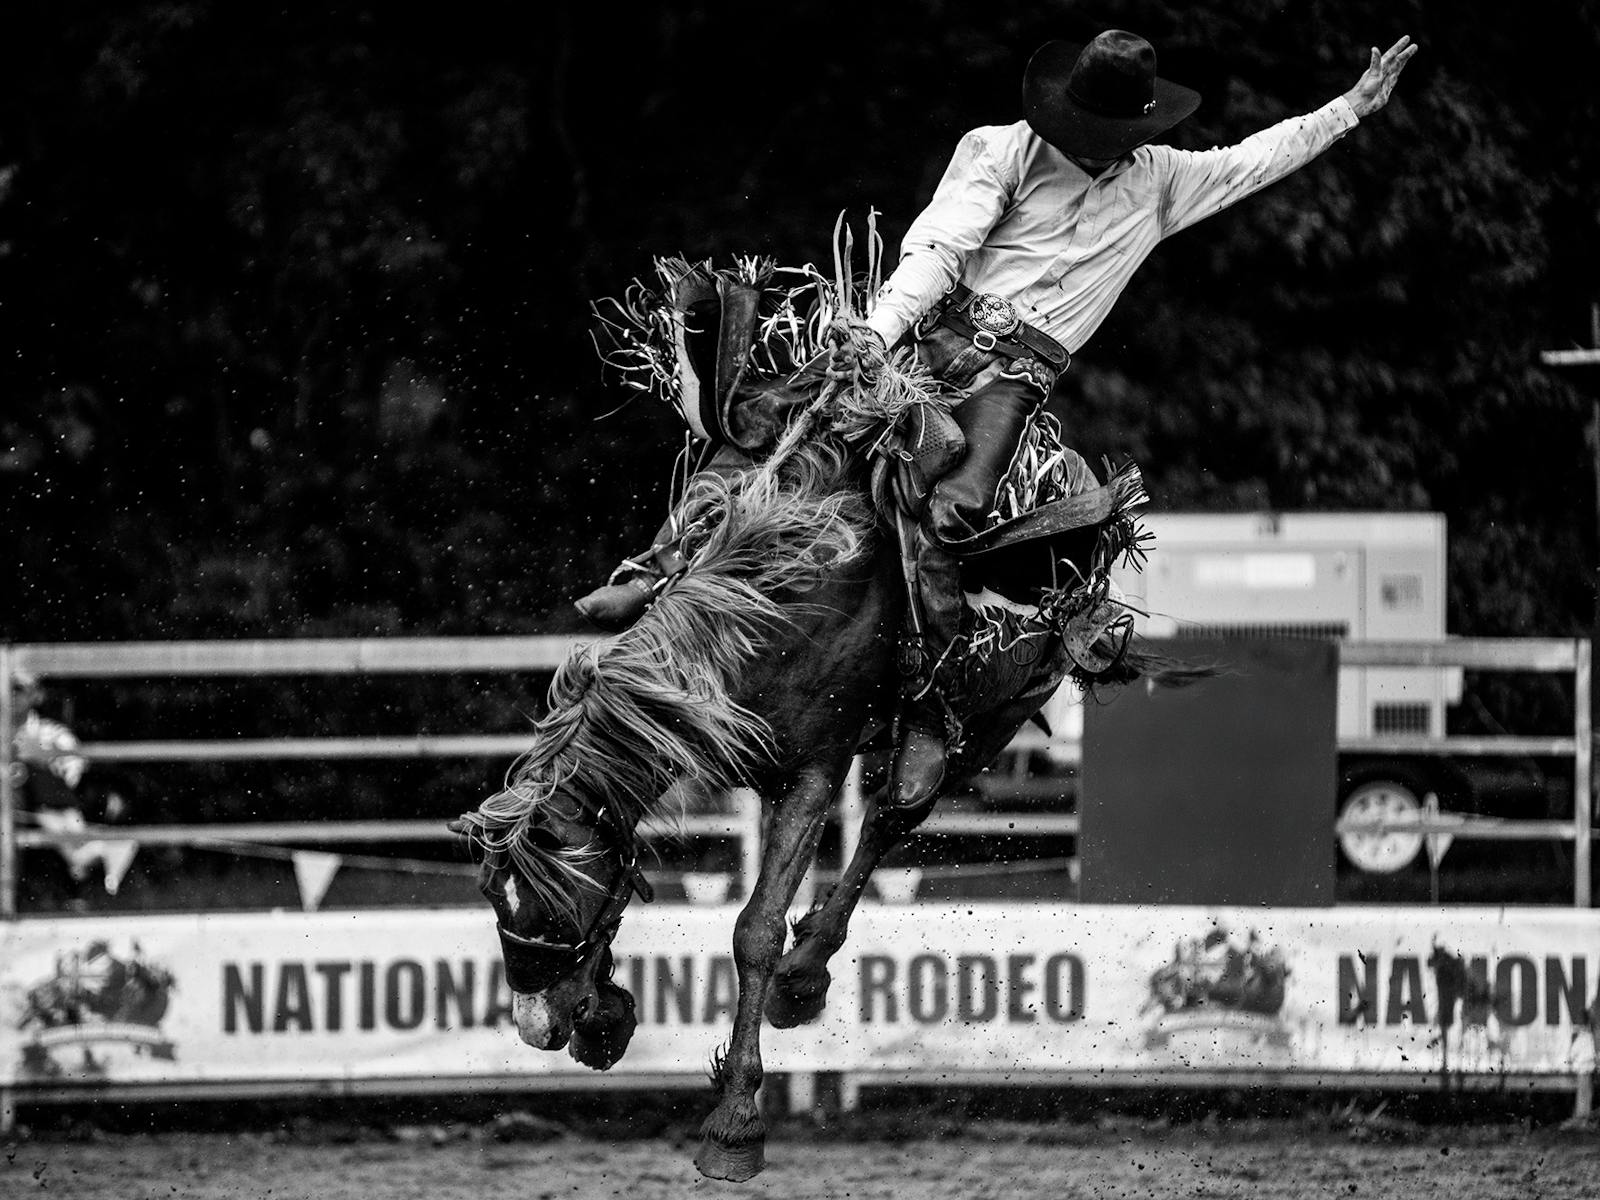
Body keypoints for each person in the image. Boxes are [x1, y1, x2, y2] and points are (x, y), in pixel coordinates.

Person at [579, 29, 1417, 809]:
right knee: (775, 424)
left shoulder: (1161, 181)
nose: (1093, 143)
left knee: (957, 507)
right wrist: (875, 334)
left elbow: (1254, 160)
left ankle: (927, 712)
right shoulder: (1002, 151)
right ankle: (655, 571)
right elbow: (940, 245)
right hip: (931, 334)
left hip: (1010, 379)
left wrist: (1353, 106)